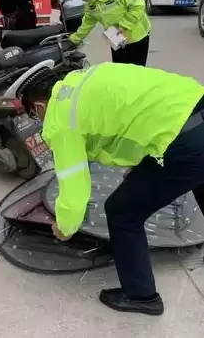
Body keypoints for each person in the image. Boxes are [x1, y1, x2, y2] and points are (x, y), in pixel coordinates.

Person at [26, 62, 204, 315]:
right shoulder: (80, 79)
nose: (39, 122)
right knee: (200, 176)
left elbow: (74, 183)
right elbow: (136, 114)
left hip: (186, 141)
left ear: (39, 107)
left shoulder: (59, 118)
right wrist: (144, 164)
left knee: (122, 211)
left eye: (34, 116)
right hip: (196, 108)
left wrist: (65, 226)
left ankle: (141, 296)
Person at [66, 0, 151, 66]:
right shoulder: (90, 4)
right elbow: (88, 22)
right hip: (117, 39)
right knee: (119, 73)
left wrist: (123, 26)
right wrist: (74, 39)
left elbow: (138, 6)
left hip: (138, 37)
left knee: (136, 74)